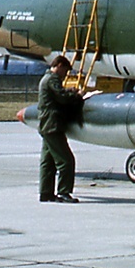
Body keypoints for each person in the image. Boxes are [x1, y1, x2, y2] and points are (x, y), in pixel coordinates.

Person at [37, 56, 84, 203]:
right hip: (53, 126)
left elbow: (57, 94)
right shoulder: (52, 79)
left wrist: (68, 91)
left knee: (48, 162)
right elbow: (62, 97)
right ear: (59, 66)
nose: (65, 74)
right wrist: (77, 95)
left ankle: (46, 193)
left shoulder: (46, 79)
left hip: (46, 125)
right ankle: (64, 192)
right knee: (66, 161)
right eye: (65, 70)